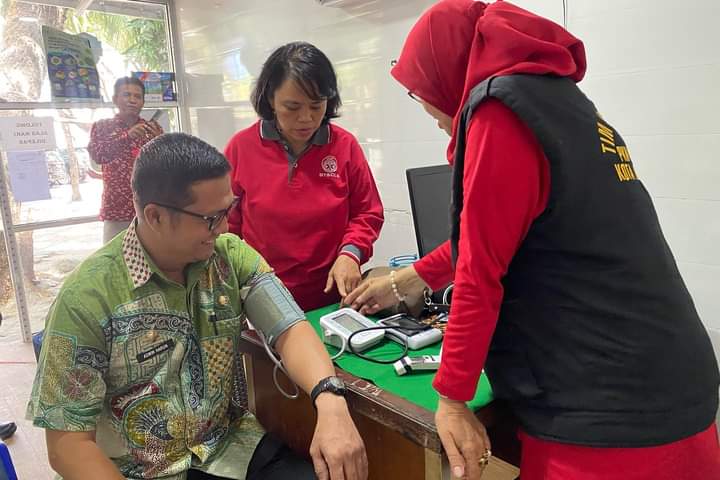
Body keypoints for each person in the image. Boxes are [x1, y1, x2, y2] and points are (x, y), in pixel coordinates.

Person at [345, 1, 720, 479]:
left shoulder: (498, 111)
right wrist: (408, 279)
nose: (429, 112)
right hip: (671, 384)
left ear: (444, 71)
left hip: (609, 415)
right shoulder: (561, 101)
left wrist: (452, 398)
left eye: (421, 94)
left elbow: (480, 272)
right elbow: (496, 236)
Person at [27, 133, 367, 480]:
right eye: (211, 218)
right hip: (136, 471)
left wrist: (330, 401)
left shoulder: (229, 257)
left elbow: (290, 328)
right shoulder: (87, 298)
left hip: (228, 448)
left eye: (228, 210)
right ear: (156, 216)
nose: (225, 227)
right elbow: (68, 446)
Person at [224, 42, 384, 312]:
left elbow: (367, 213)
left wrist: (351, 254)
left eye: (316, 105)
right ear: (270, 99)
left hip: (332, 294)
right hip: (263, 294)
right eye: (292, 106)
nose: (306, 118)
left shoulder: (344, 146)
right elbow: (227, 226)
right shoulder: (241, 148)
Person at [89, 76, 163, 244]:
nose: (132, 100)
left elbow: (166, 165)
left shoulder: (152, 128)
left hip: (149, 208)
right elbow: (98, 156)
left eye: (137, 96)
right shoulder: (102, 127)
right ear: (115, 99)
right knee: (114, 256)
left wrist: (160, 141)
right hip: (117, 209)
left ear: (143, 102)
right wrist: (126, 137)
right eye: (126, 95)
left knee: (152, 255)